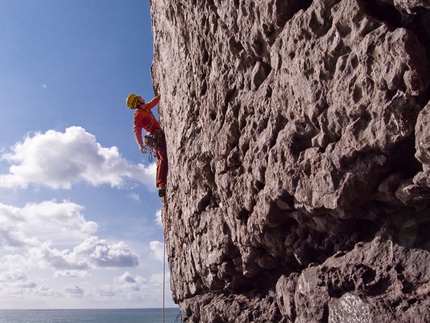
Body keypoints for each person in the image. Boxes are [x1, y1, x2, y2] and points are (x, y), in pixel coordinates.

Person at [126, 93, 168, 197]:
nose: (140, 96)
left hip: (156, 134)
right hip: (155, 135)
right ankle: (161, 185)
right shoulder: (138, 114)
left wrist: (160, 95)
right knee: (162, 158)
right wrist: (140, 144)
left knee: (161, 158)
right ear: (137, 102)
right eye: (138, 97)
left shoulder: (145, 108)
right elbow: (137, 130)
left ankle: (161, 183)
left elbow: (152, 103)